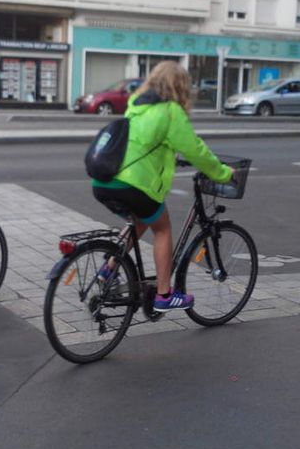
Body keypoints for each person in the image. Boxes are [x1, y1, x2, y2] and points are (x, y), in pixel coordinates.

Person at [92, 62, 233, 312]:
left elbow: (142, 143)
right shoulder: (170, 112)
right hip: (133, 185)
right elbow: (196, 150)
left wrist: (169, 157)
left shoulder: (136, 105)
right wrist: (222, 173)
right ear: (180, 87)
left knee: (143, 219)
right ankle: (164, 295)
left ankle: (109, 268)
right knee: (163, 228)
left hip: (105, 180)